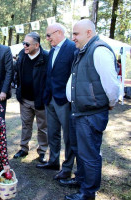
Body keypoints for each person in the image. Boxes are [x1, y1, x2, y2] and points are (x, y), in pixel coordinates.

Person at [63, 19, 120, 200]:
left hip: (91, 113)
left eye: (76, 34)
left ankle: (88, 193)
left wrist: (110, 103)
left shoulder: (99, 50)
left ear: (89, 32)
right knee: (79, 150)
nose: (73, 38)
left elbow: (112, 85)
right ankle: (81, 180)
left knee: (89, 154)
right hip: (80, 111)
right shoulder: (84, 50)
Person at [36, 23, 77, 181]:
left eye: (48, 35)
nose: (47, 39)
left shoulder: (72, 48)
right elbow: (50, 75)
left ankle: (67, 169)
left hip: (65, 100)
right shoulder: (52, 51)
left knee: (68, 136)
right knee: (52, 133)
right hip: (50, 99)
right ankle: (53, 162)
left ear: (59, 32)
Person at [13, 32, 49, 163]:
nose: (24, 46)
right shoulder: (22, 55)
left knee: (43, 128)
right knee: (25, 125)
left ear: (37, 45)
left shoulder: (46, 57)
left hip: (41, 100)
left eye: (27, 44)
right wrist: (19, 89)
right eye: (23, 43)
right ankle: (23, 148)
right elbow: (17, 72)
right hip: (25, 99)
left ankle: (42, 151)